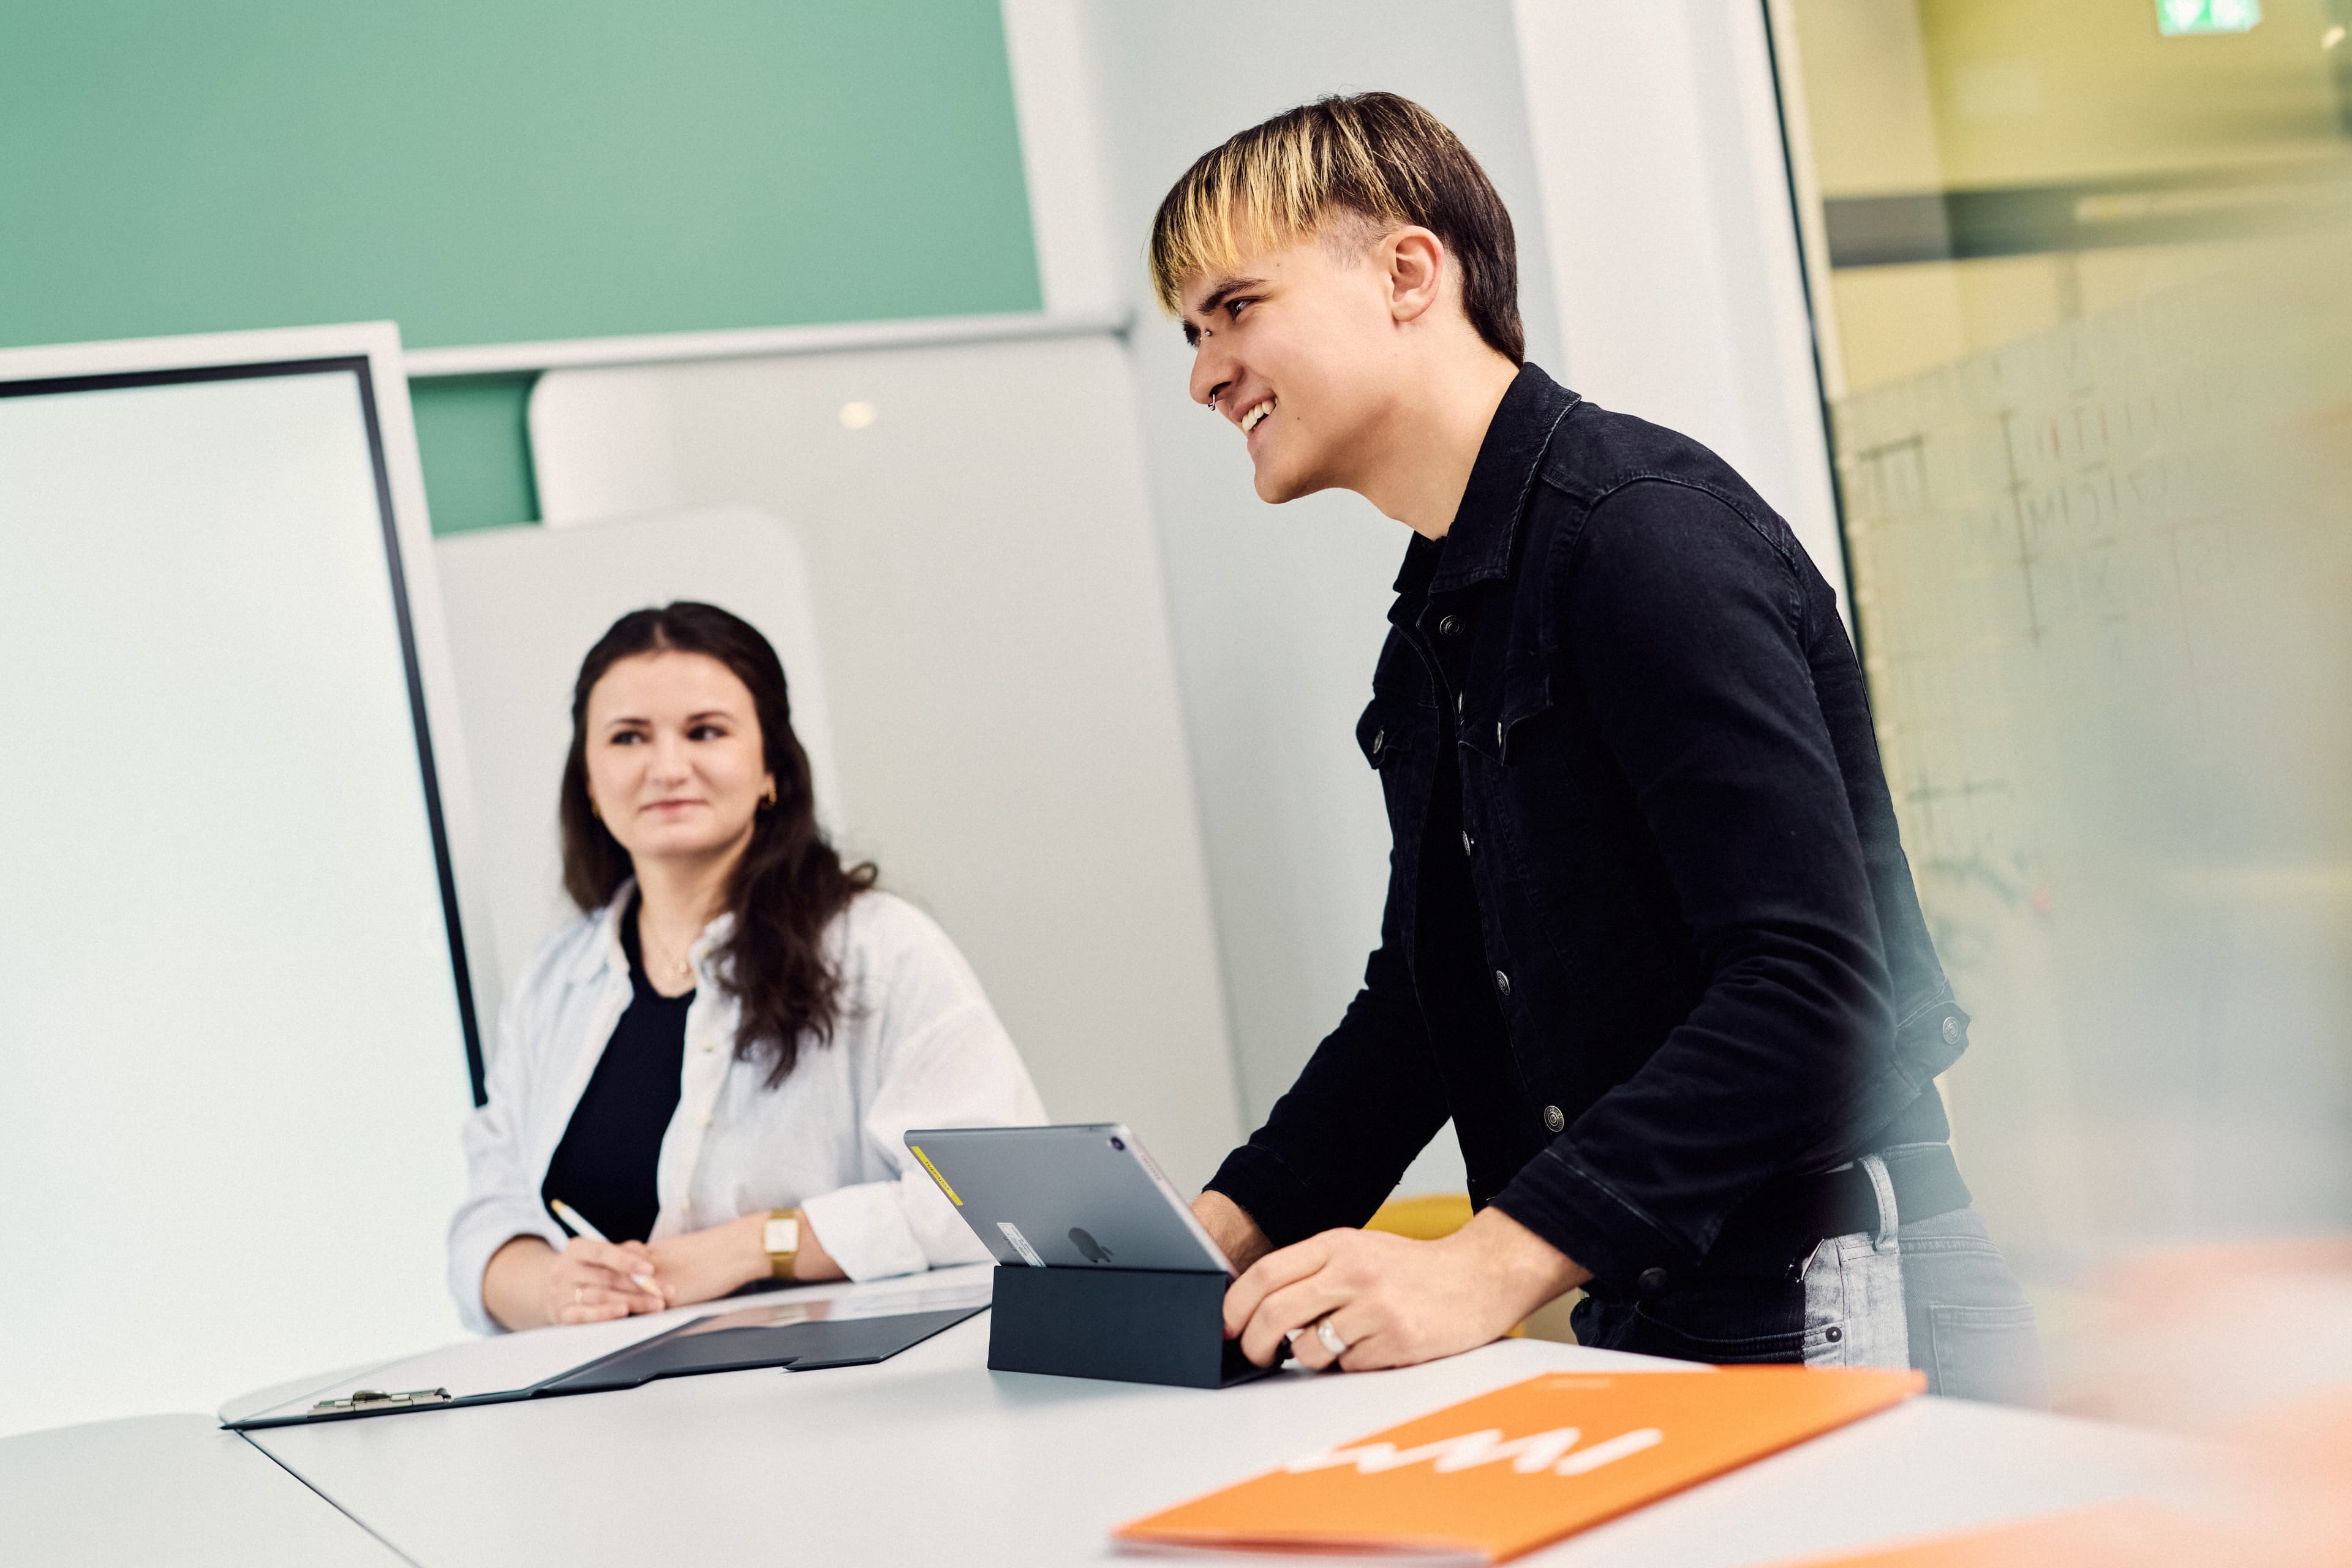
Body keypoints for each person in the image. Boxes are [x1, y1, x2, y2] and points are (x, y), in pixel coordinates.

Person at [1154, 93, 2046, 1403]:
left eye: (1234, 308)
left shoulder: (1641, 535)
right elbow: (1422, 1002)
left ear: (1410, 272)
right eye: (1190, 331)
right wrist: (1215, 1234)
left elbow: (1811, 990)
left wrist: (1485, 1263)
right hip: (1652, 1293)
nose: (1203, 373)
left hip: (1831, 1281)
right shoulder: (1437, 627)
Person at [447, 601, 1044, 1332]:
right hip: (607, 1418)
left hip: (842, 1409)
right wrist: (552, 1288)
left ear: (770, 768)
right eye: (629, 737)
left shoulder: (882, 950)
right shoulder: (554, 980)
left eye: (706, 732)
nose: (668, 767)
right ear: (591, 784)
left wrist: (753, 1246)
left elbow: (996, 1202)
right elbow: (487, 1215)